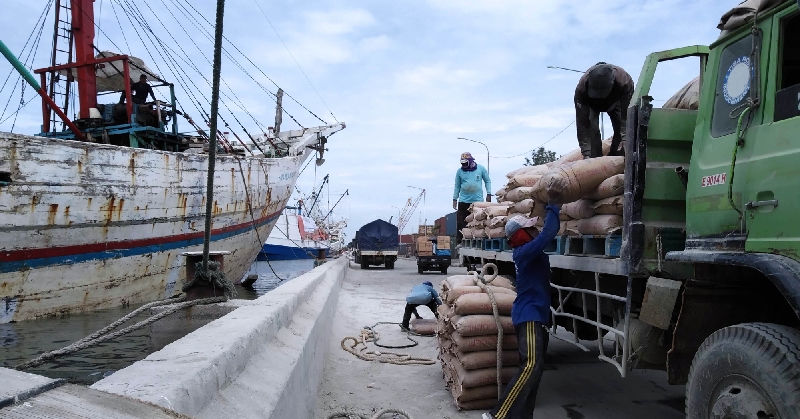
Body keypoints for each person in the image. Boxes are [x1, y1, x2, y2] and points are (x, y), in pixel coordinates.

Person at [483, 177, 565, 419]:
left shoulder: (527, 251)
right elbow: (549, 232)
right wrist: (554, 202)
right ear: (520, 235)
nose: (533, 229)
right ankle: (497, 415)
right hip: (528, 315)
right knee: (529, 367)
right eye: (529, 227)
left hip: (535, 315)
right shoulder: (525, 251)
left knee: (536, 370)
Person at [574, 62, 634, 159]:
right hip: (592, 106)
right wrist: (586, 152)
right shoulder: (582, 89)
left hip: (615, 103)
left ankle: (616, 157)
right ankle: (594, 160)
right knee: (592, 131)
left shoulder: (624, 81)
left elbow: (626, 117)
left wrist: (627, 141)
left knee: (620, 129)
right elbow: (582, 123)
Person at [453, 152, 491, 244]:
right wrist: (455, 199)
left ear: (470, 161)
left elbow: (487, 181)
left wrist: (489, 193)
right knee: (461, 223)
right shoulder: (459, 171)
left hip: (477, 201)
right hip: (463, 201)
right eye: (462, 163)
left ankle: (478, 241)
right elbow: (457, 186)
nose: (463, 165)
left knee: (478, 221)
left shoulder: (480, 168)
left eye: (465, 163)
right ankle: (460, 242)